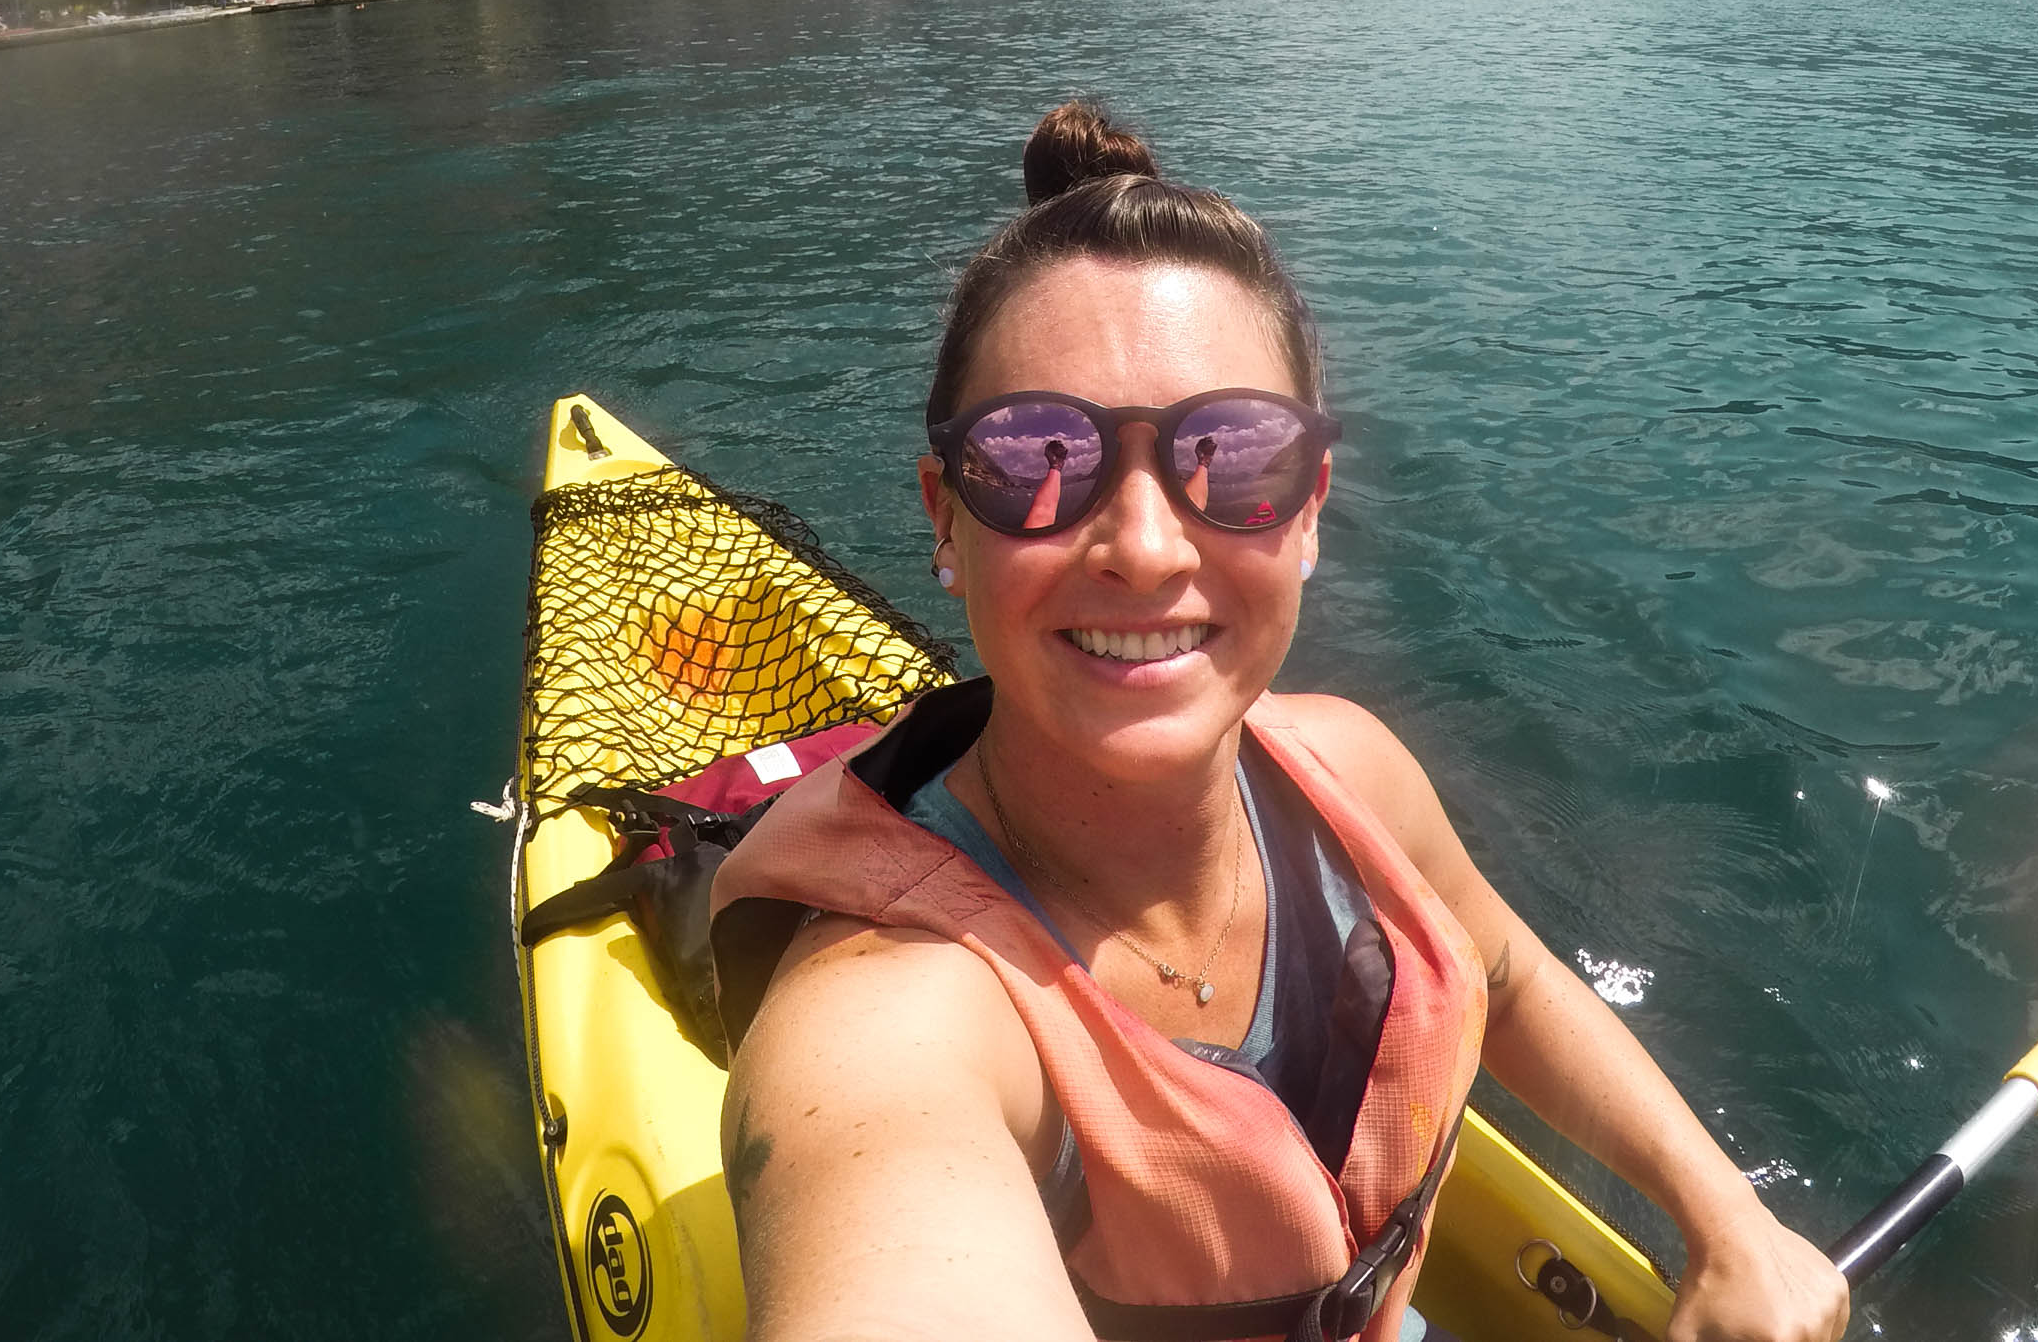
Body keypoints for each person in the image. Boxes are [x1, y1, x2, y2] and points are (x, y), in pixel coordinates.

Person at [709, 100, 1847, 1342]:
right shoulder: (887, 1024)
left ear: (1307, 509)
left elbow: (1506, 975)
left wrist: (1729, 1220)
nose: (1143, 550)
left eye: (1232, 459)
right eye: (1037, 456)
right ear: (943, 517)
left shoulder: (1349, 773)